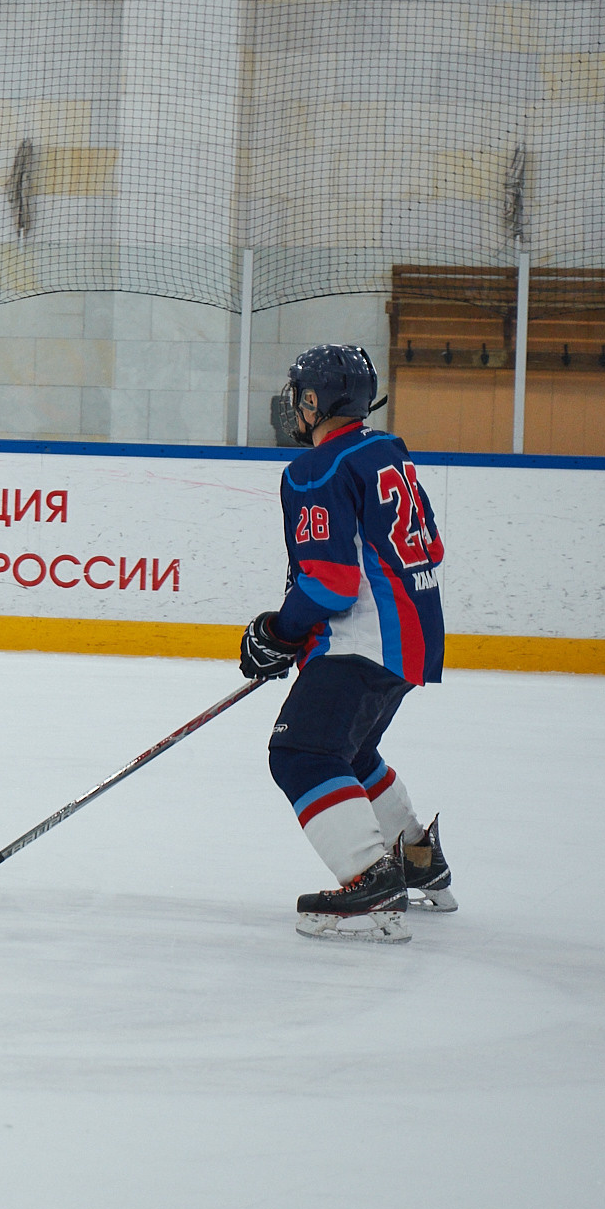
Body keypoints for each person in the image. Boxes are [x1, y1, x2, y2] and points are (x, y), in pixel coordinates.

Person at [239, 344, 456, 943]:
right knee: (350, 757)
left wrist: (280, 631)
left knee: (302, 754)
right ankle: (417, 858)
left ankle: (370, 881)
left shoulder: (317, 469)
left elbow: (331, 582)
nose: (292, 406)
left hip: (362, 640)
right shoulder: (387, 451)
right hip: (409, 639)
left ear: (314, 400)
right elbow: (425, 550)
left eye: (298, 395)